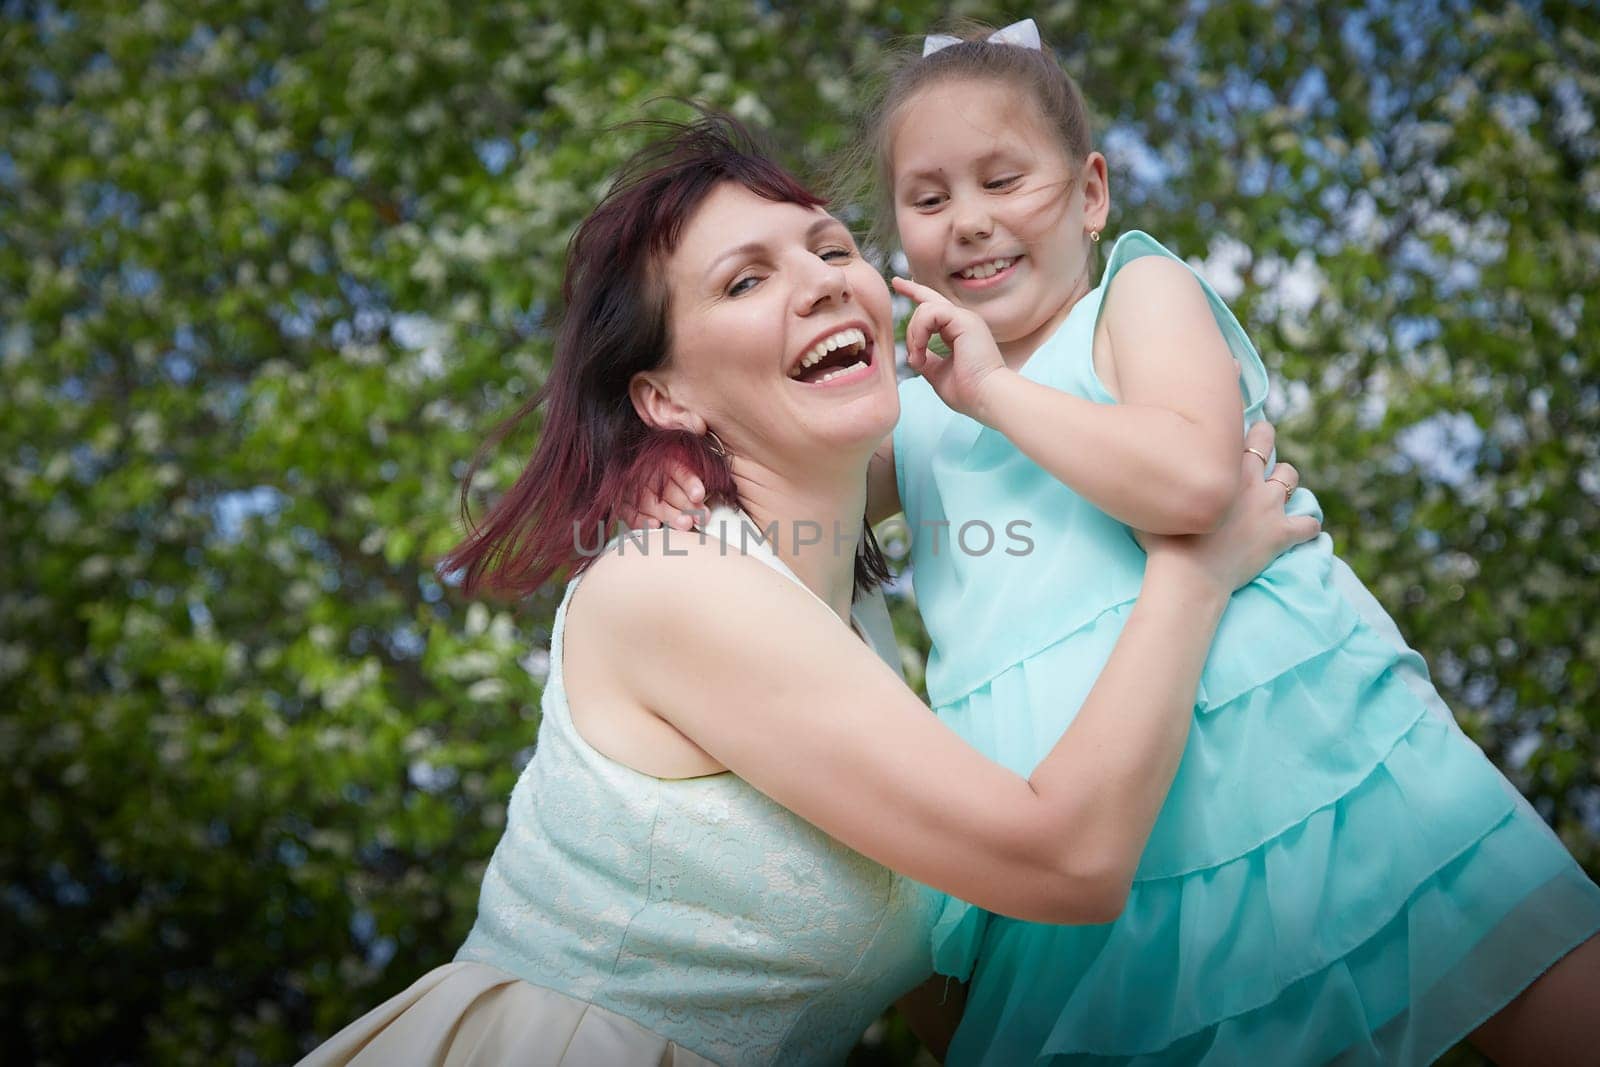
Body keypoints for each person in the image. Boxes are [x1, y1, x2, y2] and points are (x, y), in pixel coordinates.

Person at [630, 18, 1600, 1067]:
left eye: (1005, 181)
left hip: (1303, 748)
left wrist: (995, 391)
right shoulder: (913, 417)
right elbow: (789, 503)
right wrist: (679, 482)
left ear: (1091, 194)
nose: (969, 223)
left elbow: (1192, 481)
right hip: (1100, 811)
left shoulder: (1133, 298)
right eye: (928, 198)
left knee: (1549, 992)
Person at [296, 116, 1313, 1066]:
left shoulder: (856, 631)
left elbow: (962, 1004)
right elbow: (1066, 859)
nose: (826, 283)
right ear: (664, 395)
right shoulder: (676, 580)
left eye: (832, 250)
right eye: (743, 283)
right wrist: (1192, 571)